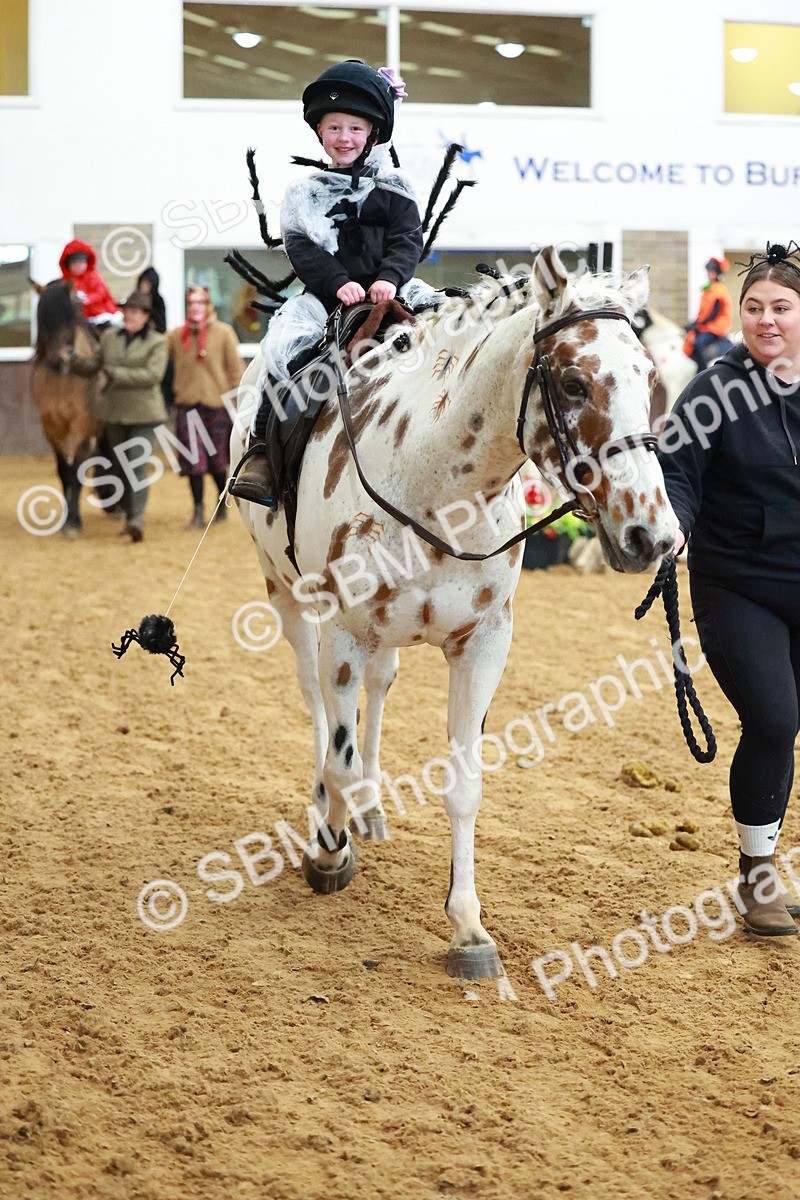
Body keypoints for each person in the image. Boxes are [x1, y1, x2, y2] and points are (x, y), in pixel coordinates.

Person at [660, 244, 800, 937]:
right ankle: (758, 876)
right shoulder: (716, 386)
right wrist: (677, 527)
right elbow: (677, 469)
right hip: (737, 582)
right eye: (754, 308)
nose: (765, 320)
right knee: (774, 719)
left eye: (780, 307)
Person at [228, 58, 424, 506]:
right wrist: (338, 283)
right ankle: (262, 453)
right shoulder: (303, 192)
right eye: (334, 128)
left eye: (355, 129)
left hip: (394, 288)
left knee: (448, 331)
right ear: (320, 132)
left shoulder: (396, 186)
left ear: (372, 134)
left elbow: (407, 241)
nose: (344, 138)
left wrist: (390, 279)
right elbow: (302, 249)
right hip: (324, 296)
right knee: (281, 353)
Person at [70, 291, 168, 541]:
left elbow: (152, 376)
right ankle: (128, 515)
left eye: (135, 311)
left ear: (146, 316)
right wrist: (71, 360)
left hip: (145, 414)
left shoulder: (157, 342)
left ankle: (136, 520)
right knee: (120, 469)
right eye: (126, 310)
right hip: (114, 414)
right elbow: (92, 364)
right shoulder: (110, 337)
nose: (128, 315)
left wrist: (117, 374)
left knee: (136, 465)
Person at [167, 286, 242, 527]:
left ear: (208, 305)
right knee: (193, 462)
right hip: (187, 406)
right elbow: (157, 353)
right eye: (190, 303)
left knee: (217, 461)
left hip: (217, 405)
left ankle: (221, 504)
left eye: (199, 303)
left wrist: (240, 400)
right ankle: (198, 510)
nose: (195, 307)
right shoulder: (177, 336)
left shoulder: (224, 332)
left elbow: (235, 369)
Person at [683, 256, 734, 370]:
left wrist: (697, 325)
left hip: (715, 327)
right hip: (707, 326)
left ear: (717, 273)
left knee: (698, 344)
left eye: (712, 272)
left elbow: (713, 313)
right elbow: (703, 312)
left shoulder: (719, 289)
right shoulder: (708, 289)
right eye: (708, 271)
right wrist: (694, 323)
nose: (709, 274)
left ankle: (702, 371)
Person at [59, 239, 122, 328]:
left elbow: (101, 291)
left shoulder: (93, 276)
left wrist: (88, 299)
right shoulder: (66, 281)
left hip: (100, 312)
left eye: (81, 262)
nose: (79, 266)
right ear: (68, 265)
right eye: (75, 263)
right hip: (79, 315)